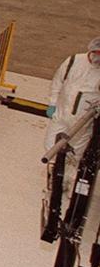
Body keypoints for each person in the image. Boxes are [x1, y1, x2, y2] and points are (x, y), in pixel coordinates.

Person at [44, 37, 100, 188]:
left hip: (83, 122)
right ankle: (53, 177)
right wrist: (53, 103)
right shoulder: (74, 61)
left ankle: (65, 183)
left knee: (75, 154)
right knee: (51, 146)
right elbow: (57, 82)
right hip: (61, 114)